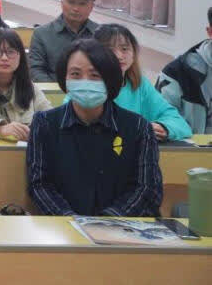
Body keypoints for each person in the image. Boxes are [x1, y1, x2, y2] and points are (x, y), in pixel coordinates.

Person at [27, 39, 162, 217]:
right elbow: (39, 184)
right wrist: (70, 219)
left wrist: (107, 221)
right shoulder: (44, 123)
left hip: (122, 227)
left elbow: (147, 188)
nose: (85, 82)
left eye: (95, 75)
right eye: (75, 74)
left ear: (110, 79)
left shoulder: (138, 127)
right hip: (64, 226)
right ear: (64, 79)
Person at [92, 24, 191, 141]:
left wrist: (164, 128)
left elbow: (179, 123)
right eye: (110, 50)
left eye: (124, 49)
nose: (119, 56)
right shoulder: (87, 86)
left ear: (134, 53)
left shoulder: (140, 85)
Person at [28, 0, 99, 82]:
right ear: (61, 3)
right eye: (71, 2)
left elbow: (108, 69)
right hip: (53, 89)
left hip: (92, 89)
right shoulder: (41, 34)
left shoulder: (101, 34)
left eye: (82, 4)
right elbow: (36, 70)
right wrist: (56, 89)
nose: (76, 8)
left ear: (92, 7)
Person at [156, 6, 212, 133]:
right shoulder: (177, 72)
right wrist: (168, 129)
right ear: (210, 32)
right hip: (191, 143)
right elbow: (161, 117)